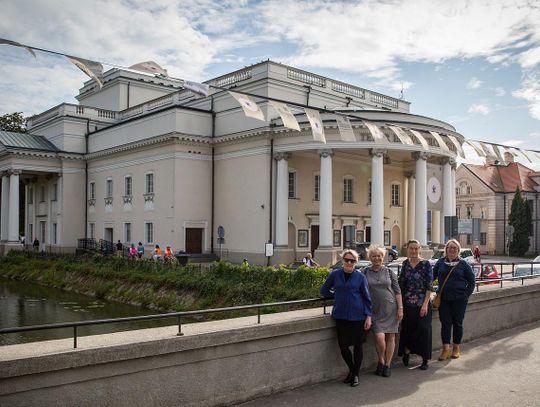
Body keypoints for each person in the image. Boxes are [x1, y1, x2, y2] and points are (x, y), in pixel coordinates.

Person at [320, 249, 372, 387]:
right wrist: (337, 296)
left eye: (352, 260)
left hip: (358, 316)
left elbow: (367, 298)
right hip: (341, 315)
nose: (349, 262)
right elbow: (324, 291)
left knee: (358, 346)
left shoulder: (360, 277)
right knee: (343, 346)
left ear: (356, 262)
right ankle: (352, 370)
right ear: (343, 260)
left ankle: (355, 375)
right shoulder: (335, 274)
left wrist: (368, 316)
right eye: (347, 260)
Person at [364, 244, 403, 377]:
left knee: (391, 336)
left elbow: (397, 291)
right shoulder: (364, 272)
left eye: (379, 256)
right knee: (379, 337)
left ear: (383, 257)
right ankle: (380, 359)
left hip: (390, 309)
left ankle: (387, 364)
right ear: (370, 258)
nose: (377, 258)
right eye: (374, 256)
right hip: (374, 310)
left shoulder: (389, 272)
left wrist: (400, 308)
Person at [433, 239, 475, 361]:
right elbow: (432, 277)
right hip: (444, 299)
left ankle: (456, 348)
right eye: (450, 247)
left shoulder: (463, 264)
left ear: (458, 250)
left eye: (455, 248)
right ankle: (445, 349)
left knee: (457, 323)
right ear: (446, 249)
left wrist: (465, 295)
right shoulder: (440, 263)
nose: (452, 249)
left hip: (459, 300)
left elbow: (472, 282)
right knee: (445, 324)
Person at [398, 239, 433, 370]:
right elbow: (401, 284)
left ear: (419, 250)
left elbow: (429, 286)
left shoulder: (426, 264)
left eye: (416, 248)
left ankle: (424, 359)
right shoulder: (405, 264)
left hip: (422, 303)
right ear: (407, 249)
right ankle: (407, 351)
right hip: (407, 304)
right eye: (411, 248)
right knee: (407, 329)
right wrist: (400, 303)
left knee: (424, 330)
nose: (413, 251)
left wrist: (424, 305)